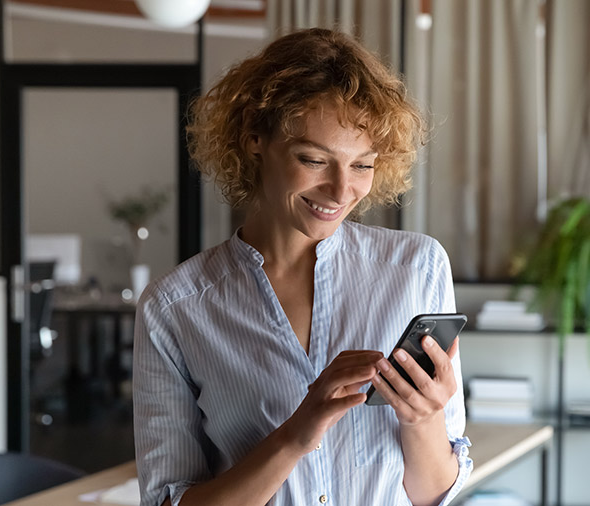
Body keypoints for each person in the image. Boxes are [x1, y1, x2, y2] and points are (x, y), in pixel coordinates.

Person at [133, 28, 472, 506]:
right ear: (254, 137)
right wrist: (296, 434)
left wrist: (422, 419)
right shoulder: (175, 308)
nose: (340, 192)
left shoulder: (417, 269)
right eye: (314, 159)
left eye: (362, 166)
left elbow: (434, 493)